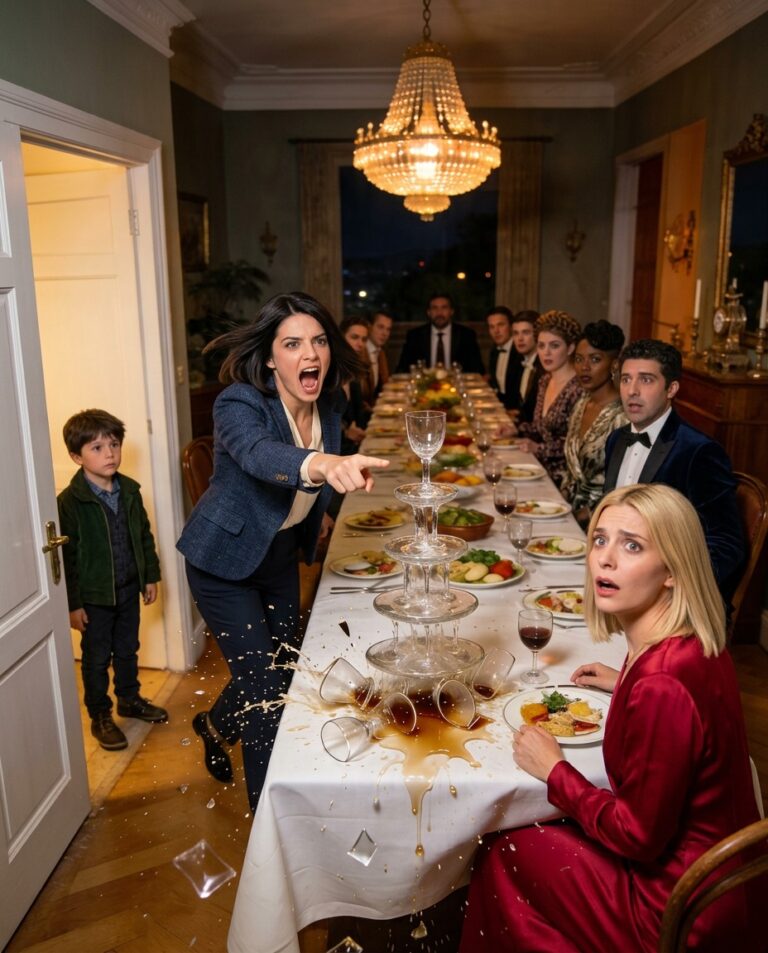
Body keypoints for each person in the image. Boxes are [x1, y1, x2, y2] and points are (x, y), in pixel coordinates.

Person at [460, 484, 765, 953]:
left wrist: (555, 770)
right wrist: (623, 680)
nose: (605, 559)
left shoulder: (661, 684)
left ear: (672, 569)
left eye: (633, 545)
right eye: (600, 539)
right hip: (731, 882)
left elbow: (637, 837)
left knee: (503, 850)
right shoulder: (696, 640)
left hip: (679, 906)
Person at [176, 292, 388, 812]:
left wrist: (327, 507)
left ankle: (214, 724)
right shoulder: (240, 403)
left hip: (276, 557)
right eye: (292, 344)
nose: (308, 353)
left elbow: (322, 479)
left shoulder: (331, 404)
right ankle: (271, 829)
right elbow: (257, 453)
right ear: (271, 357)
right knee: (270, 698)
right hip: (222, 563)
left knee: (278, 667)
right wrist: (321, 465)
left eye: (317, 341)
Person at [603, 338, 744, 603]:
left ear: (671, 388)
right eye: (625, 379)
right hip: (615, 583)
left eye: (646, 380)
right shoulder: (616, 440)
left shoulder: (699, 451)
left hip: (671, 600)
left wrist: (674, 588)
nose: (632, 391)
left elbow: (727, 544)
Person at [58, 409, 166, 752]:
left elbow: (144, 537)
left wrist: (149, 576)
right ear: (77, 456)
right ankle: (100, 714)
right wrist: (72, 604)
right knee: (96, 658)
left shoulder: (130, 491)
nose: (109, 454)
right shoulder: (70, 503)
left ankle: (129, 699)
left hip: (127, 589)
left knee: (127, 649)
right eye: (96, 448)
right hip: (93, 598)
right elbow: (67, 558)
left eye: (114, 444)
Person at [561, 320, 627, 526]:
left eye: (595, 359)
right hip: (564, 510)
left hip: (599, 521)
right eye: (579, 359)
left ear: (614, 364)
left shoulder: (623, 417)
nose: (584, 367)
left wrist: (585, 516)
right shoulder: (581, 403)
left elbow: (624, 487)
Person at [507, 310, 582, 486]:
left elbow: (578, 447)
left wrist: (538, 448)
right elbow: (540, 428)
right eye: (541, 346)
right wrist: (516, 430)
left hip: (563, 480)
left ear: (570, 348)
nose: (546, 353)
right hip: (537, 469)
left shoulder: (578, 389)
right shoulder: (545, 380)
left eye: (554, 346)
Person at [395, 293, 485, 374]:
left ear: (451, 311)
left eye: (444, 307)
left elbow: (477, 369)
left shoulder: (466, 335)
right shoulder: (415, 336)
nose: (439, 313)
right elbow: (402, 368)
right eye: (435, 308)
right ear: (428, 312)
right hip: (425, 387)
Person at [339, 316, 373, 452]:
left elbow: (356, 409)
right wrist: (345, 432)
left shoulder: (353, 371)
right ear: (341, 338)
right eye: (354, 337)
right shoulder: (329, 371)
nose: (360, 344)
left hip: (353, 446)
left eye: (364, 339)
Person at [366, 310, 394, 395]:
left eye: (388, 329)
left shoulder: (381, 352)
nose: (385, 333)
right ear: (369, 327)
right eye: (380, 327)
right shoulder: (361, 352)